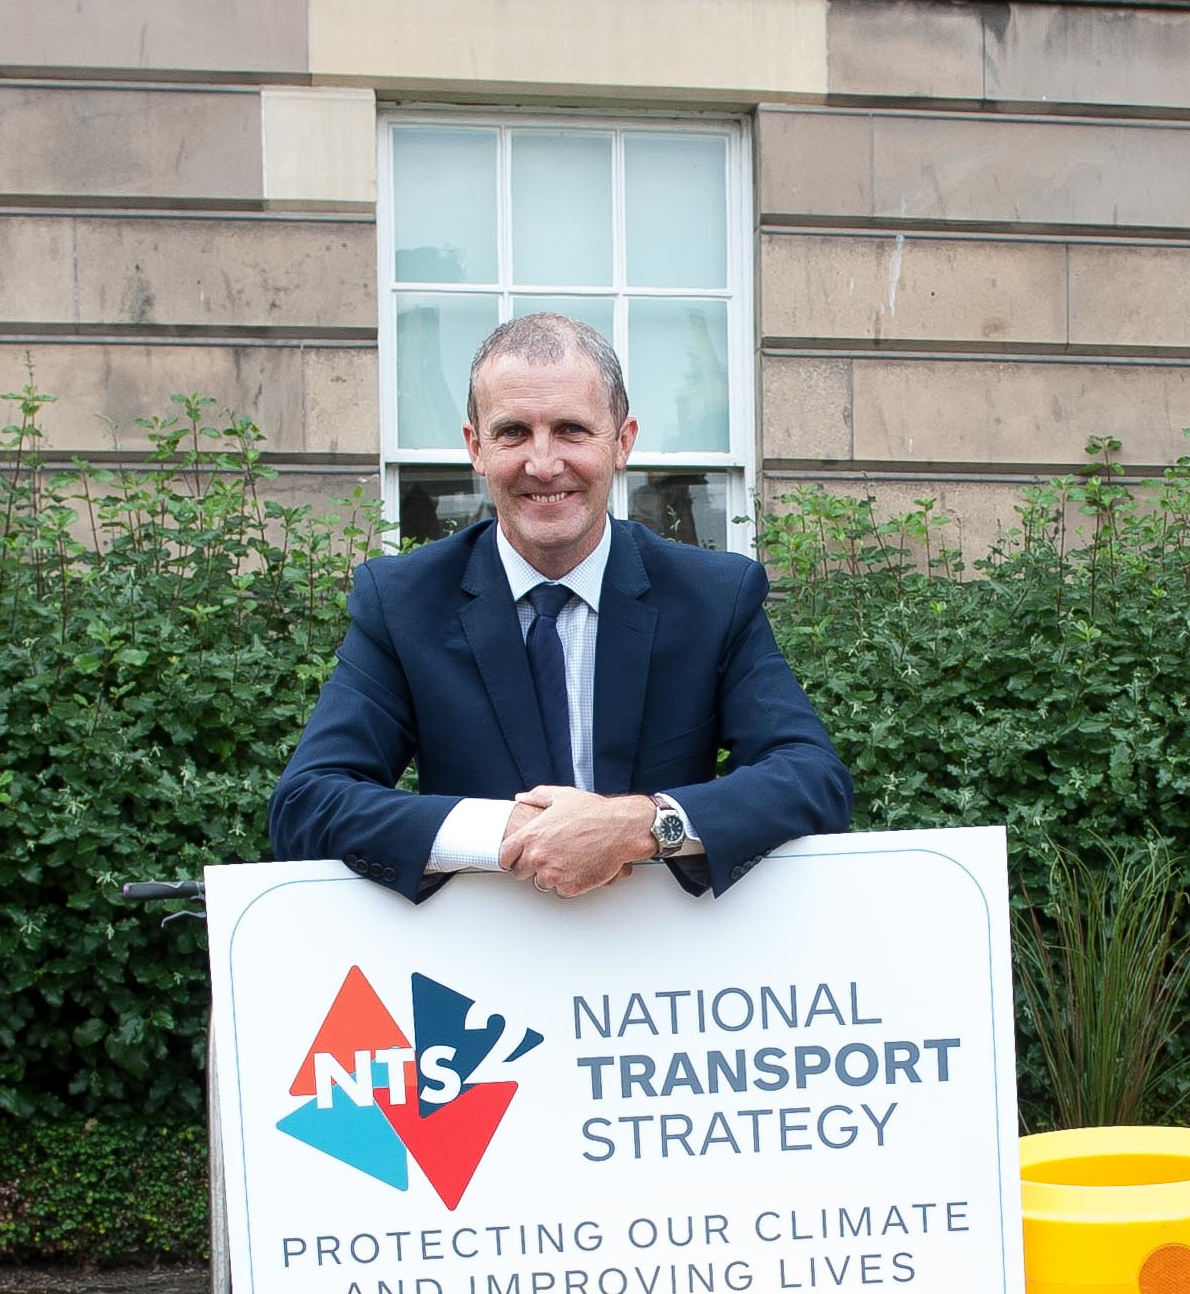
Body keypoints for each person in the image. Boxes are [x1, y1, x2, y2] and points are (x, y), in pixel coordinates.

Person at [269, 310, 852, 900]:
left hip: (673, 972)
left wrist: (641, 825)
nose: (543, 464)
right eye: (513, 432)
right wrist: (504, 832)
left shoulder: (713, 596)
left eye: (572, 430)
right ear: (475, 447)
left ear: (623, 442)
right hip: (477, 964)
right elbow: (307, 801)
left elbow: (810, 778)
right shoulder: (402, 601)